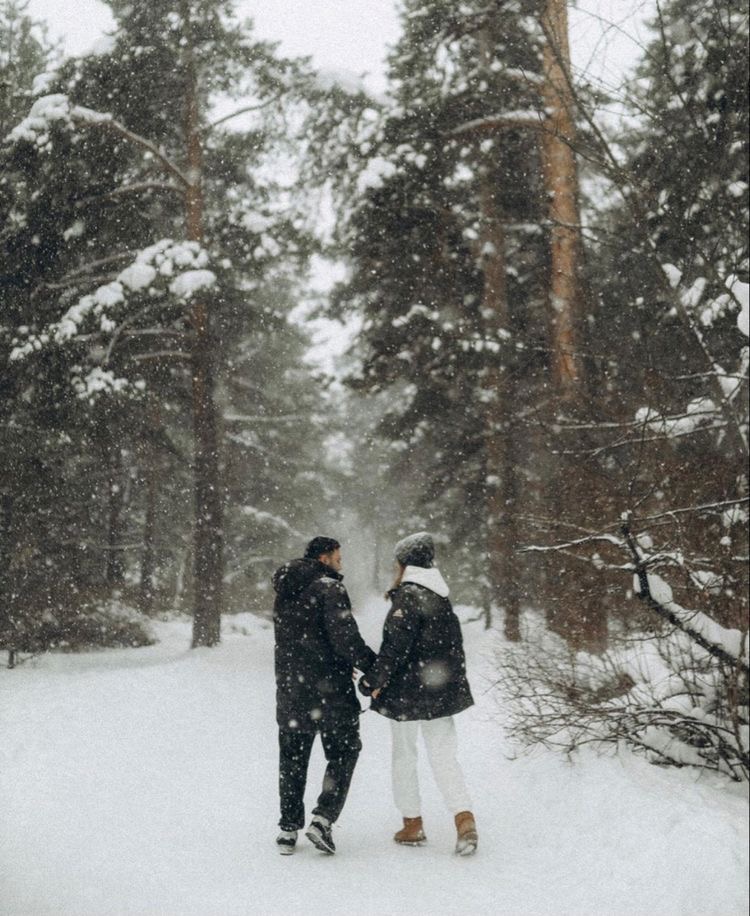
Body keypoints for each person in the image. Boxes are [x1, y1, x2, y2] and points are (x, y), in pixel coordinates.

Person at [359, 531, 478, 856]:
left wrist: (372, 681)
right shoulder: (440, 596)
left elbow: (395, 647)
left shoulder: (408, 596)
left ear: (404, 564)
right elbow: (454, 648)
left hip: (406, 695)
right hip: (439, 693)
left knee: (404, 757)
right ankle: (464, 821)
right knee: (444, 757)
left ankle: (412, 823)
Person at [272, 536, 376, 856]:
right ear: (325, 556)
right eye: (338, 557)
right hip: (330, 692)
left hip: (291, 689)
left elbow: (300, 639)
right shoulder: (329, 588)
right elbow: (344, 637)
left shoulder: (285, 592)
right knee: (344, 752)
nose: (341, 563)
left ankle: (288, 829)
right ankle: (322, 820)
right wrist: (372, 668)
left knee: (292, 759)